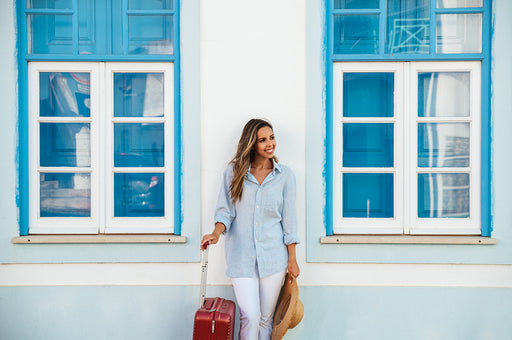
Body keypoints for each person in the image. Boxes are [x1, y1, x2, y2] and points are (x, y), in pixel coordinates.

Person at [201, 118, 300, 340]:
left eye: (272, 137)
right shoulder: (233, 172)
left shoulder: (285, 177)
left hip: (274, 258)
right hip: (241, 257)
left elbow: (289, 221)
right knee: (251, 316)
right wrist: (215, 233)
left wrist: (292, 259)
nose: (270, 143)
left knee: (266, 319)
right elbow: (225, 211)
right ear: (250, 144)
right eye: (262, 140)